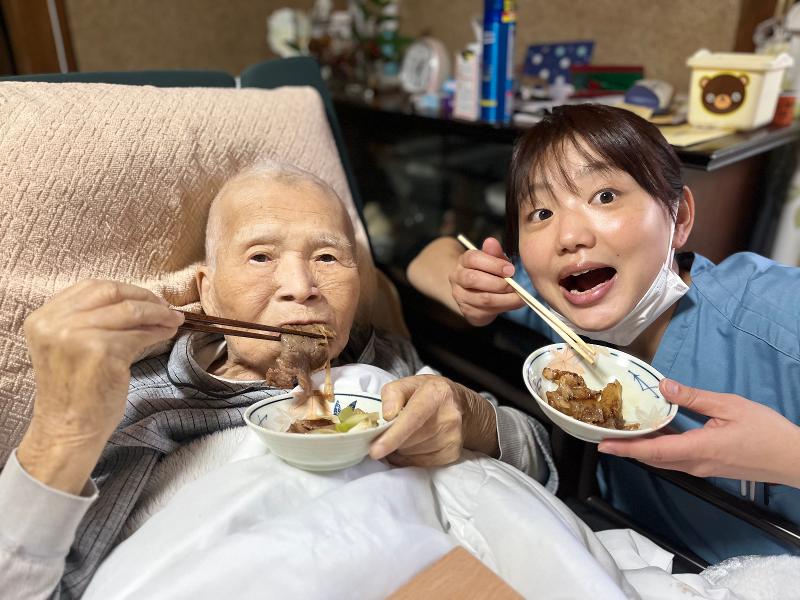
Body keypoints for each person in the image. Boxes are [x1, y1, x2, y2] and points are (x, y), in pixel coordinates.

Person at [0, 161, 556, 598]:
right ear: (207, 289)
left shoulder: (384, 361)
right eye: (261, 256)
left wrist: (474, 420)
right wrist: (63, 431)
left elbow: (536, 461)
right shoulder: (141, 402)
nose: (300, 286)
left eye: (328, 258)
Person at [406, 104, 800, 563]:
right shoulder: (558, 307)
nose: (568, 236)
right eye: (541, 212)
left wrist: (788, 456)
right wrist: (470, 290)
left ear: (679, 217)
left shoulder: (773, 312)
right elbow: (427, 257)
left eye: (605, 196)